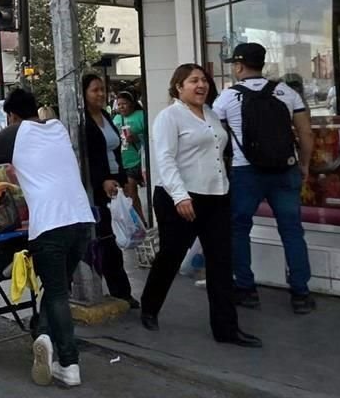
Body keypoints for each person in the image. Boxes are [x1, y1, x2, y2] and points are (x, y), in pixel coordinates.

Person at [0, 89, 95, 387]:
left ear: (11, 115)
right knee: (58, 290)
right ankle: (43, 333)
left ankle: (68, 364)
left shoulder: (15, 131)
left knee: (54, 294)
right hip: (81, 221)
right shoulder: (57, 128)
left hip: (50, 225)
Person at [141, 64, 262, 347]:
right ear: (178, 87)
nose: (201, 85)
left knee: (221, 262)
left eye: (204, 80)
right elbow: (165, 159)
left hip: (216, 197)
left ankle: (226, 329)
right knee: (171, 255)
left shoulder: (211, 115)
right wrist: (180, 196)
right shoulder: (169, 117)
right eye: (193, 80)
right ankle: (149, 306)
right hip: (180, 198)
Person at [212, 42, 315, 314]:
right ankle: (301, 294)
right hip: (285, 170)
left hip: (246, 172)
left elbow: (214, 139)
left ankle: (246, 289)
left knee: (238, 229)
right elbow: (306, 134)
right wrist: (303, 164)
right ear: (263, 63)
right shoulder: (286, 92)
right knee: (292, 230)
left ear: (238, 65)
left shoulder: (227, 98)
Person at [82, 73, 138, 308]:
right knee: (106, 238)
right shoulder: (82, 122)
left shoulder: (106, 116)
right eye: (95, 90)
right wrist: (101, 180)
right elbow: (85, 158)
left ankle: (121, 290)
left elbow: (115, 150)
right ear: (83, 93)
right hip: (97, 187)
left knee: (114, 236)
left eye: (103, 90)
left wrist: (122, 178)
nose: (101, 94)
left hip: (115, 182)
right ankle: (117, 290)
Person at [113, 91, 147, 220]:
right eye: (119, 104)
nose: (121, 107)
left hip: (142, 159)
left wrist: (137, 138)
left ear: (132, 104)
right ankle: (141, 220)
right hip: (126, 160)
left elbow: (150, 136)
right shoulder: (116, 119)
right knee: (132, 193)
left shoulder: (141, 115)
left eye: (124, 104)